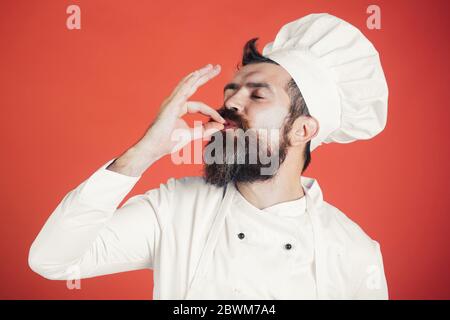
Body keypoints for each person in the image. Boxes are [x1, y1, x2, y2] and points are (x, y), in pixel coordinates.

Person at [28, 13, 389, 299]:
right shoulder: (175, 208)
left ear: (303, 130)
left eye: (257, 95)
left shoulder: (354, 253)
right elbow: (53, 260)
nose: (230, 103)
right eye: (232, 91)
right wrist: (144, 151)